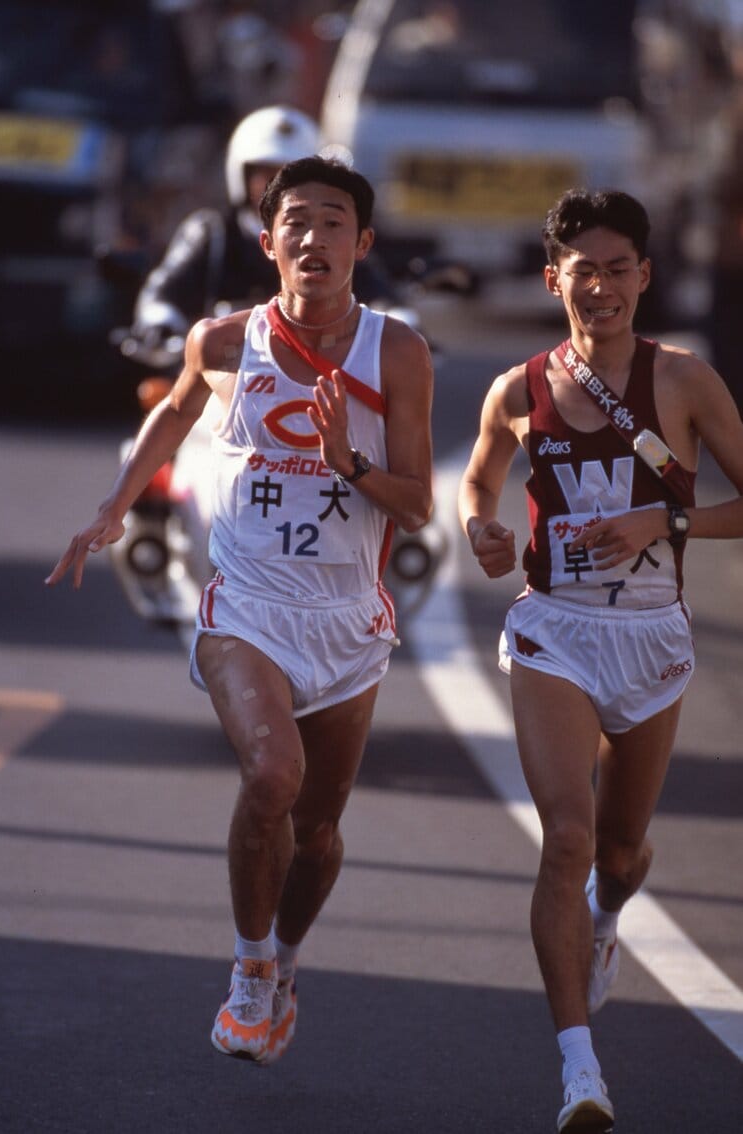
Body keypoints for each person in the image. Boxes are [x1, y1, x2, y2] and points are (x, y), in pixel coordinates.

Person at [46, 155, 434, 1064]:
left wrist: (346, 460)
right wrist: (113, 505)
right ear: (268, 244)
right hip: (246, 606)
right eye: (294, 221)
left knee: (320, 831)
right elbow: (174, 417)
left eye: (333, 221)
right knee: (271, 777)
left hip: (347, 618)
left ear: (361, 244)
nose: (313, 236)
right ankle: (250, 968)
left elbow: (415, 503)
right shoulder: (223, 341)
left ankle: (288, 960)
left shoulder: (398, 351)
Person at [458, 188, 743, 1130]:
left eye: (619, 268)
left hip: (652, 636)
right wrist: (482, 530)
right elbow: (477, 477)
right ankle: (580, 1071)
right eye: (584, 271)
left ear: (643, 276)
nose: (602, 287)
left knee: (618, 851)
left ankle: (608, 918)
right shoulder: (518, 388)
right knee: (569, 839)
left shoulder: (687, 381)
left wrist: (660, 519)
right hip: (555, 631)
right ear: (555, 281)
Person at [131, 103, 401, 351]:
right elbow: (162, 292)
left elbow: (379, 295)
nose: (278, 187)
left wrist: (401, 322)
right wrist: (161, 322)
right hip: (219, 377)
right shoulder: (213, 234)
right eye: (267, 175)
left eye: (289, 176)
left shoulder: (333, 241)